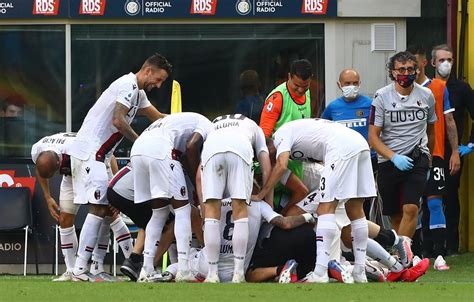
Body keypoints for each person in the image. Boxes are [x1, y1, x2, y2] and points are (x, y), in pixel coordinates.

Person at [69, 53, 171, 281]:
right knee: (97, 208)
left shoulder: (139, 93)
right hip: (90, 153)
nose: (158, 85)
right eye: (159, 79)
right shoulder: (127, 85)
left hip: (101, 155)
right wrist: (141, 142)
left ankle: (93, 267)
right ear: (148, 71)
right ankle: (79, 269)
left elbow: (158, 117)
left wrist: (182, 121)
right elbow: (118, 119)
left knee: (105, 209)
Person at [254, 118, 376, 283]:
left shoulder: (280, 135)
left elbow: (281, 165)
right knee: (355, 209)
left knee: (325, 209)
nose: (269, 162)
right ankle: (359, 272)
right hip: (360, 145)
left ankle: (320, 272)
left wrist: (262, 194)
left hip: (340, 148)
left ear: (267, 148)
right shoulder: (299, 131)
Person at [31, 132, 133, 282]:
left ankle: (133, 263)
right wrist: (47, 197)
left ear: (59, 163)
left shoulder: (78, 147)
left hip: (94, 168)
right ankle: (71, 271)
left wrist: (115, 188)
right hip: (71, 174)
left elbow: (109, 156)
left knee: (109, 213)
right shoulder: (38, 149)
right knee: (64, 218)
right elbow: (40, 170)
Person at [130, 112, 212, 282]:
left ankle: (146, 269)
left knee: (158, 212)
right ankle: (183, 269)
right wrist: (198, 184)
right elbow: (192, 147)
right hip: (159, 150)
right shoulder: (207, 125)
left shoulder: (177, 121)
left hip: (137, 150)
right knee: (183, 209)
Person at [368, 51, 436, 246]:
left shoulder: (426, 95)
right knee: (395, 215)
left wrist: (428, 158)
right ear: (392, 72)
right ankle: (399, 251)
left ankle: (402, 255)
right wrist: (393, 156)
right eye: (401, 69)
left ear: (417, 70)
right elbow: (373, 136)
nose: (406, 73)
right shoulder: (381, 96)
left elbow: (431, 128)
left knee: (411, 209)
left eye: (410, 69)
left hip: (417, 157)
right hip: (389, 160)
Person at [200, 113, 272, 283]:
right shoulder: (253, 126)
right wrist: (266, 199)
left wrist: (203, 208)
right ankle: (238, 273)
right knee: (240, 208)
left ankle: (212, 274)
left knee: (212, 211)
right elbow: (266, 165)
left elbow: (198, 176)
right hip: (240, 148)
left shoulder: (212, 124)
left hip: (212, 149)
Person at [409, 45, 460, 269]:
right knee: (412, 205)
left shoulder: (439, 87)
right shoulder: (398, 90)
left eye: (416, 64)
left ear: (423, 64)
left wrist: (456, 151)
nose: (413, 69)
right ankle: (417, 252)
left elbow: (449, 121)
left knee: (435, 202)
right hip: (408, 155)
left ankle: (439, 254)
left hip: (435, 153)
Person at [431, 44, 474, 256]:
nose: (445, 63)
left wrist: (469, 145)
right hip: (430, 150)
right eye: (441, 60)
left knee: (450, 196)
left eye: (449, 59)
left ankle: (452, 245)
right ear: (432, 63)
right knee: (429, 197)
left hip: (453, 152)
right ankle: (427, 246)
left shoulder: (462, 89)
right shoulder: (426, 87)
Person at [321, 68, 377, 220]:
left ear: (360, 84)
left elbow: (379, 129)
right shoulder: (333, 107)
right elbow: (323, 131)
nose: (351, 86)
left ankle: (367, 235)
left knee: (364, 202)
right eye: (347, 83)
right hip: (341, 162)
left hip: (366, 161)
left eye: (354, 83)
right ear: (339, 85)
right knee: (343, 200)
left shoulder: (370, 104)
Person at [259, 59, 312, 209]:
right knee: (299, 193)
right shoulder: (277, 98)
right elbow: (263, 138)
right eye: (296, 86)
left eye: (305, 86)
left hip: (297, 161)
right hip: (278, 162)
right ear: (289, 77)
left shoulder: (307, 94)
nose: (301, 90)